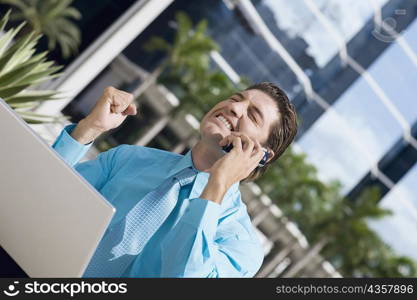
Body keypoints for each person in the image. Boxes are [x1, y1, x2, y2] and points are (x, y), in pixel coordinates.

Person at [52, 82, 298, 278]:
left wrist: (217, 186)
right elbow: (44, 199)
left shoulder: (242, 245)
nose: (235, 108)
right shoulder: (127, 158)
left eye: (253, 115)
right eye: (236, 98)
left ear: (263, 156)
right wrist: (89, 129)